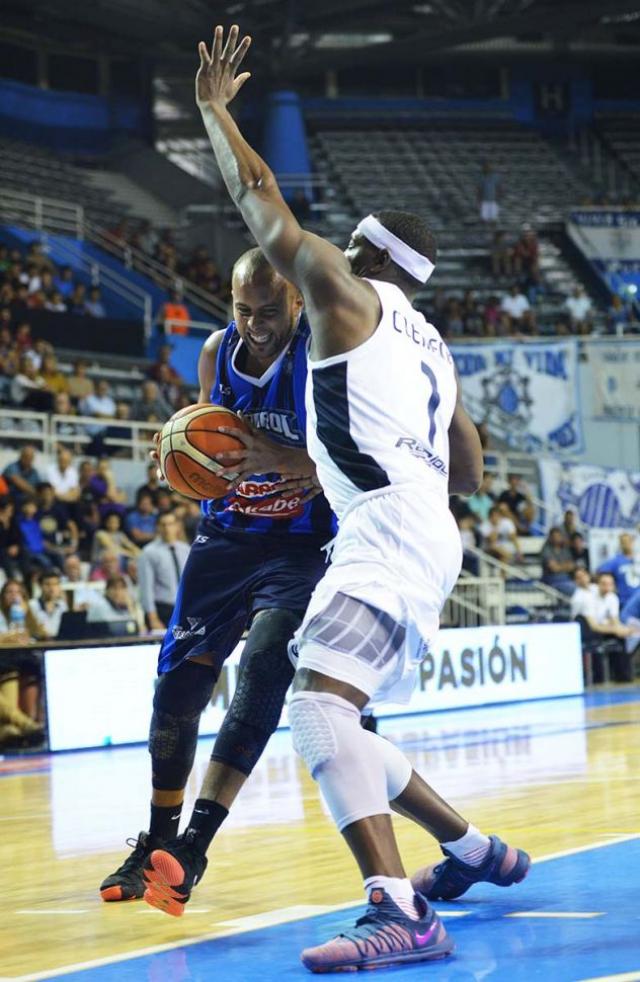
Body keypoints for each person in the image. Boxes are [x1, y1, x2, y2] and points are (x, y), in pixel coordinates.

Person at [140, 29, 530, 971]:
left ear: (362, 257)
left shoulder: (346, 298)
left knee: (315, 712)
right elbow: (471, 472)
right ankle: (474, 851)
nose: (325, 259)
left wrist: (213, 110)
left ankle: (399, 911)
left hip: (382, 534)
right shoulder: (432, 344)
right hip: (424, 531)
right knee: (340, 716)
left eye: (343, 248)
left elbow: (263, 204)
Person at [137, 511, 189, 631]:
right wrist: (152, 617)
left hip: (185, 607)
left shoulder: (185, 549)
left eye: (170, 524)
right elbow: (146, 588)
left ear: (177, 526)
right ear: (158, 527)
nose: (167, 528)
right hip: (162, 609)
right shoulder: (149, 552)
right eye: (163, 524)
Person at [596, 533, 640, 606]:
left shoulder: (638, 558)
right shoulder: (616, 560)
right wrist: (611, 586)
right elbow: (600, 571)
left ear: (632, 542)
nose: (626, 544)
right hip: (625, 601)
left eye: (628, 541)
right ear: (620, 544)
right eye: (623, 542)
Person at [28, 570, 68, 639]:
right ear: (40, 585)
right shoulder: (32, 605)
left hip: (59, 643)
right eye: (47, 584)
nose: (52, 588)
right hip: (39, 643)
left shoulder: (63, 605)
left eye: (55, 584)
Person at [540, 527, 576, 596]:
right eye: (555, 536)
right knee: (574, 590)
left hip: (566, 578)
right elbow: (554, 569)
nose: (557, 538)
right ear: (550, 538)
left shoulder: (564, 549)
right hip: (551, 579)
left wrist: (559, 566)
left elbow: (572, 566)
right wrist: (565, 566)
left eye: (559, 536)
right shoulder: (546, 549)